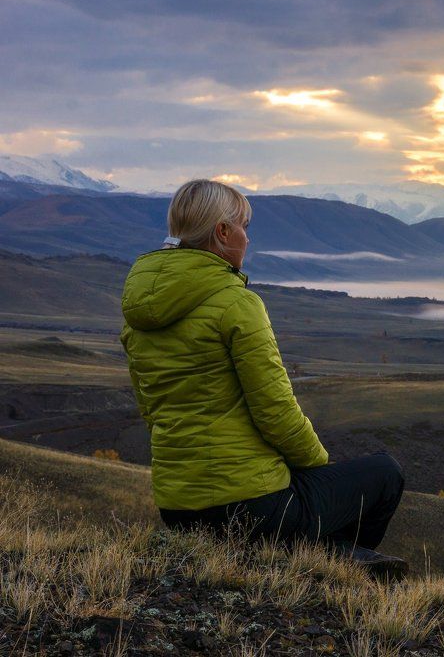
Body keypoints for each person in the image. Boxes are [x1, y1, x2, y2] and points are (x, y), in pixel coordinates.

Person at [120, 178, 407, 579]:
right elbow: (276, 412)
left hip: (178, 509)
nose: (247, 239)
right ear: (222, 232)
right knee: (385, 472)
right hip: (251, 507)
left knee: (315, 509)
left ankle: (335, 557)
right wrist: (318, 468)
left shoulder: (138, 313)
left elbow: (151, 411)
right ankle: (336, 575)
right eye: (244, 228)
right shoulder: (238, 303)